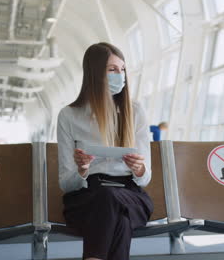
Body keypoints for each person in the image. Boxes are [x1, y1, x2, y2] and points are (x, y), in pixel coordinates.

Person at [57, 42, 153, 260]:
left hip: (130, 194)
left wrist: (139, 169)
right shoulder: (70, 115)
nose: (120, 75)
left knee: (110, 200)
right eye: (112, 69)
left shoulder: (135, 111)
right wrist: (81, 169)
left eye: (123, 70)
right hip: (87, 197)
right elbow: (66, 184)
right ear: (94, 72)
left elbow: (145, 179)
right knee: (118, 216)